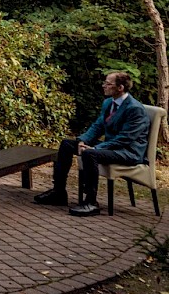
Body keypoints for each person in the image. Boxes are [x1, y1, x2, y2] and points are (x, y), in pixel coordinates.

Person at [35, 71, 150, 216]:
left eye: (108, 84)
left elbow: (125, 139)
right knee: (67, 144)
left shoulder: (135, 109)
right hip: (111, 146)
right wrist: (83, 141)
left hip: (128, 151)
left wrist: (95, 147)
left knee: (90, 154)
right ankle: (59, 192)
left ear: (120, 87)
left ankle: (91, 202)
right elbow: (98, 126)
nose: (104, 86)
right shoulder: (109, 103)